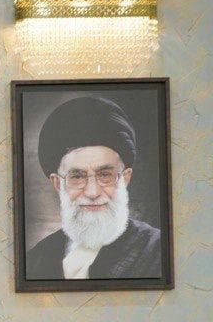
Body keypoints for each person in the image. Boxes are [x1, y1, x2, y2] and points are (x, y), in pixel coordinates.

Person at [26, 95, 162, 281]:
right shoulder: (36, 260)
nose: (92, 192)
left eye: (105, 175)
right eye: (77, 176)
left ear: (125, 178)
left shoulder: (158, 251)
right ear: (58, 183)